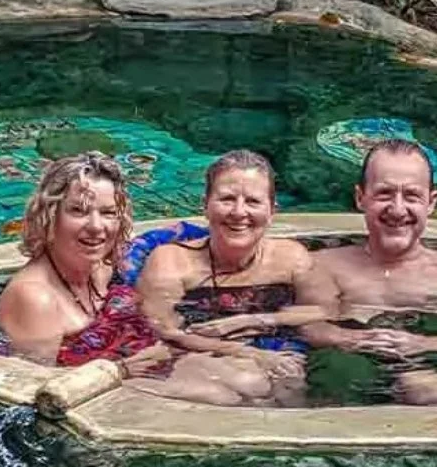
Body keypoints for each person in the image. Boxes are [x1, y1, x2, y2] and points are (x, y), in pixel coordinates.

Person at [302, 139, 437, 406]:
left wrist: (435, 344)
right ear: (361, 198)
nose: (397, 209)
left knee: (434, 390)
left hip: (433, 362)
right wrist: (351, 338)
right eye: (385, 194)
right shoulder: (322, 266)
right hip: (347, 360)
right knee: (337, 381)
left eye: (411, 196)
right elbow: (309, 325)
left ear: (431, 202)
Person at [134, 149, 334, 406]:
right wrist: (246, 352)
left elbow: (326, 309)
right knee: (241, 388)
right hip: (194, 355)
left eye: (253, 201)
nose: (239, 212)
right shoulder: (170, 261)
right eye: (227, 199)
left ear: (272, 210)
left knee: (293, 385)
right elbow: (162, 330)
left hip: (274, 353)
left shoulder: (291, 256)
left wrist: (251, 320)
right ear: (204, 205)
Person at [0, 153, 164, 369]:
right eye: (78, 211)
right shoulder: (35, 299)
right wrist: (125, 369)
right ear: (48, 216)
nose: (96, 226)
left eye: (108, 213)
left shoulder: (104, 269)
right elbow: (40, 392)